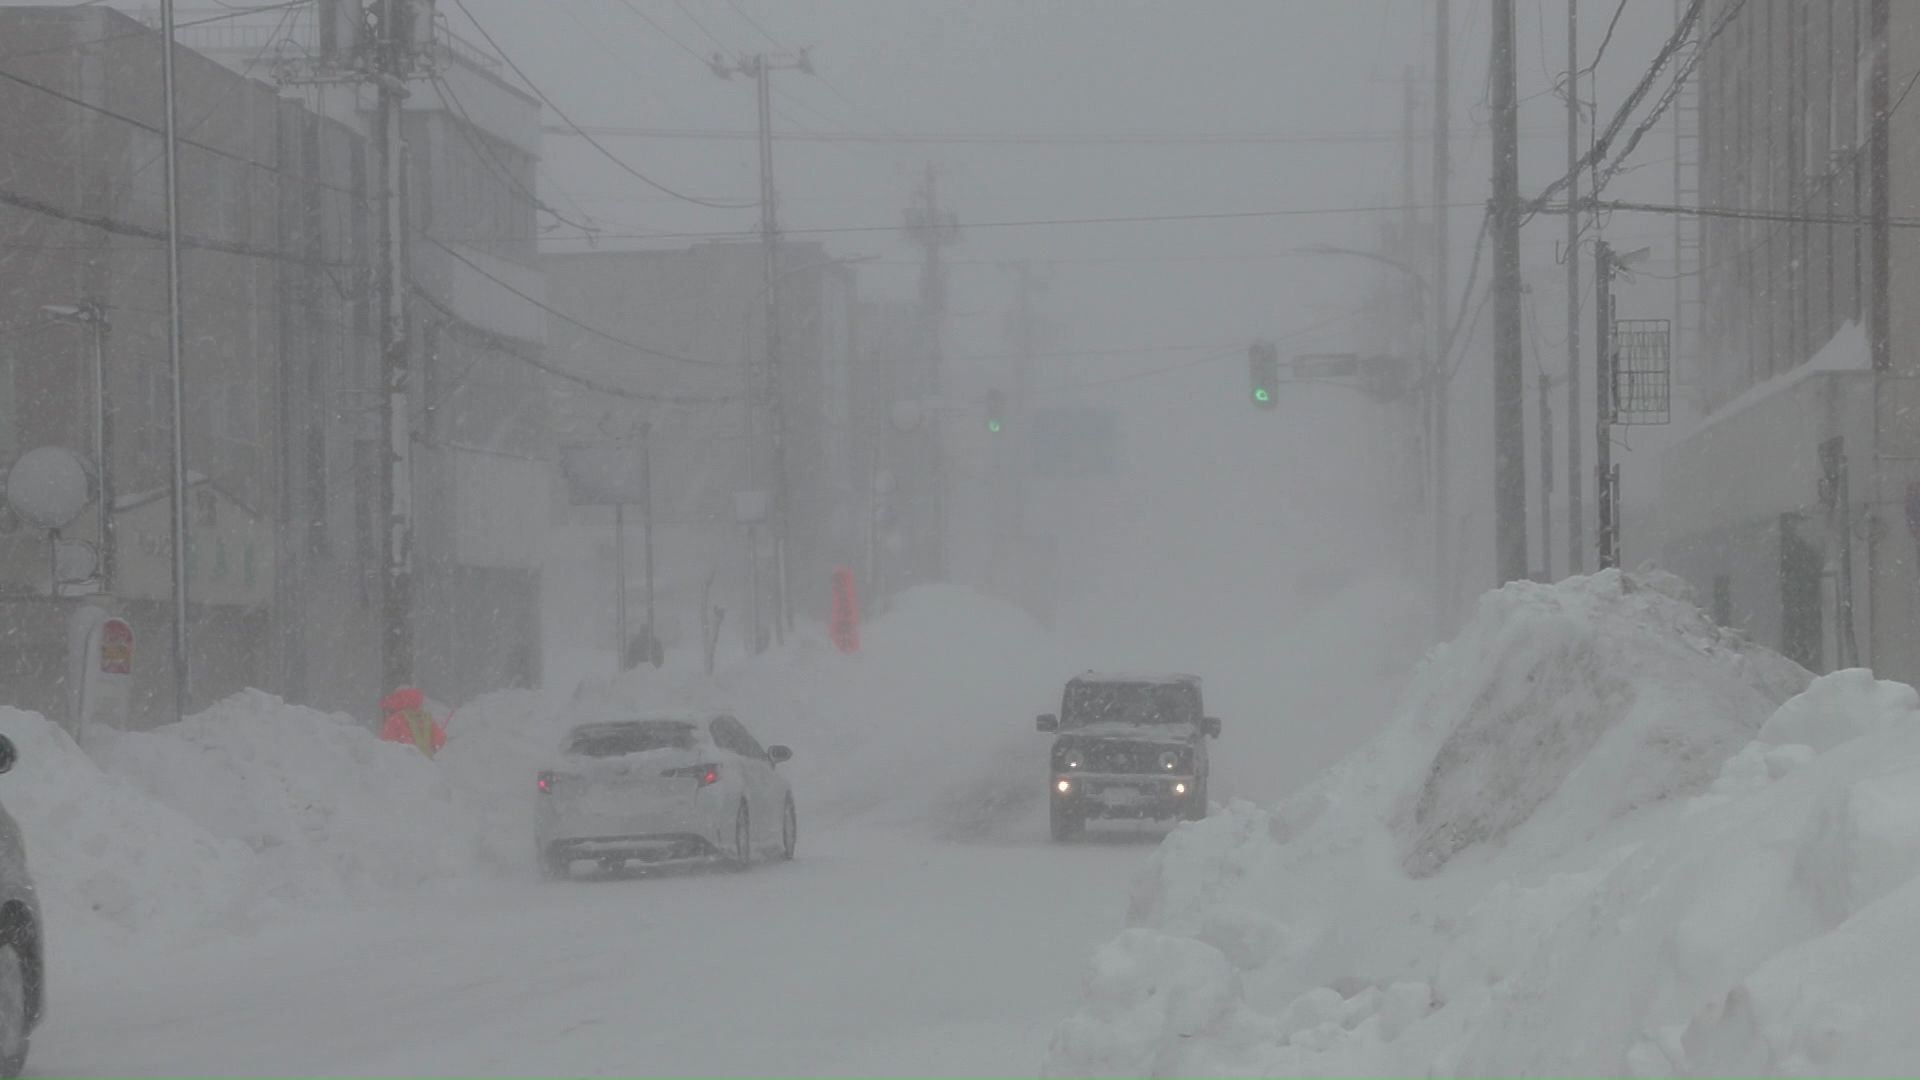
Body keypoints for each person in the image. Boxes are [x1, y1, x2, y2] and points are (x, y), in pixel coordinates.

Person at [380, 686, 446, 758]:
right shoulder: (426, 717)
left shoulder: (394, 720)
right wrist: (433, 749)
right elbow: (441, 738)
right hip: (426, 763)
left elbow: (387, 745)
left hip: (405, 763)